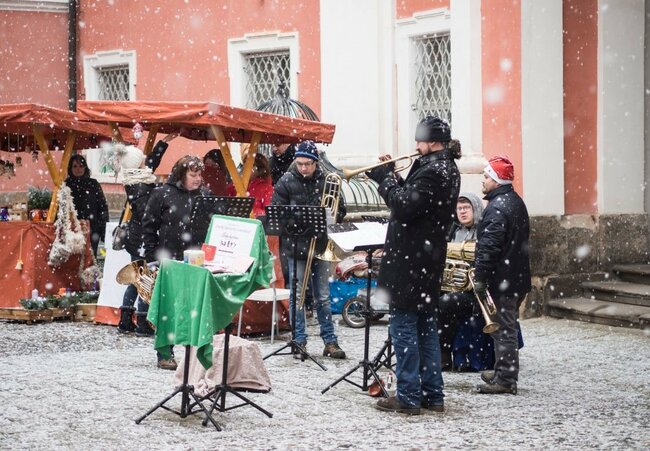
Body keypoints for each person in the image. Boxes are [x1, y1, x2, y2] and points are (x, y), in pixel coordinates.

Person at [368, 116, 460, 415]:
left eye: (419, 140)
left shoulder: (435, 170)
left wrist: (385, 179)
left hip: (411, 260)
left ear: (432, 142)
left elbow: (404, 206)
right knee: (426, 327)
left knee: (405, 327)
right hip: (425, 259)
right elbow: (413, 200)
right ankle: (433, 395)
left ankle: (408, 396)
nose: (415, 145)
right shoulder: (443, 167)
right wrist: (391, 176)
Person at [271, 140, 347, 359]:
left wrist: (330, 218)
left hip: (321, 245)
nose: (303, 168)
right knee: (298, 295)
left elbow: (339, 208)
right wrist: (298, 222)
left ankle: (330, 341)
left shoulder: (327, 180)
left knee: (322, 297)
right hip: (296, 247)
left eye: (308, 164)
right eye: (300, 163)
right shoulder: (286, 181)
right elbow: (277, 212)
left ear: (315, 162)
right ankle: (299, 340)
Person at [142, 154, 207, 370]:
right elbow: (149, 226)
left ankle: (194, 350)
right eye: (193, 175)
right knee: (167, 307)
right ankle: (164, 353)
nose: (197, 179)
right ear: (181, 174)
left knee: (193, 306)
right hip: (168, 259)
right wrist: (152, 259)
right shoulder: (162, 194)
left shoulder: (204, 196)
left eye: (199, 175)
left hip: (196, 259)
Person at [473, 155, 531, 395]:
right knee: (504, 327)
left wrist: (481, 277)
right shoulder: (514, 201)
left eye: (487, 177)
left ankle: (506, 379)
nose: (483, 181)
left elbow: (490, 247)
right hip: (514, 277)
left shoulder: (498, 207)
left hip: (503, 279)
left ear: (497, 180)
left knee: (503, 329)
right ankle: (501, 371)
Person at [114, 135, 174, 344]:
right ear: (136, 164)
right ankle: (142, 322)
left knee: (137, 277)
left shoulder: (136, 178)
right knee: (145, 279)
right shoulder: (140, 187)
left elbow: (150, 163)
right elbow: (146, 213)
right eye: (142, 159)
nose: (146, 160)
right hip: (140, 239)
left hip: (135, 237)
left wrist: (164, 142)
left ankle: (125, 320)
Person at [438, 192, 494, 371]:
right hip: (453, 284)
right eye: (459, 208)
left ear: (476, 209)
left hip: (474, 291)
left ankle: (447, 353)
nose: (462, 212)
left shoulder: (483, 230)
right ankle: (442, 354)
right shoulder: (454, 230)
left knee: (446, 304)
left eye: (466, 208)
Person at [65, 155, 109, 256]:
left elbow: (102, 206)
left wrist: (104, 229)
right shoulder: (66, 185)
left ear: (85, 167)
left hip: (92, 228)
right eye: (75, 166)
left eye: (81, 166)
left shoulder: (93, 184)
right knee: (75, 260)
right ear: (70, 169)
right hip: (73, 230)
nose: (78, 169)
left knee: (91, 258)